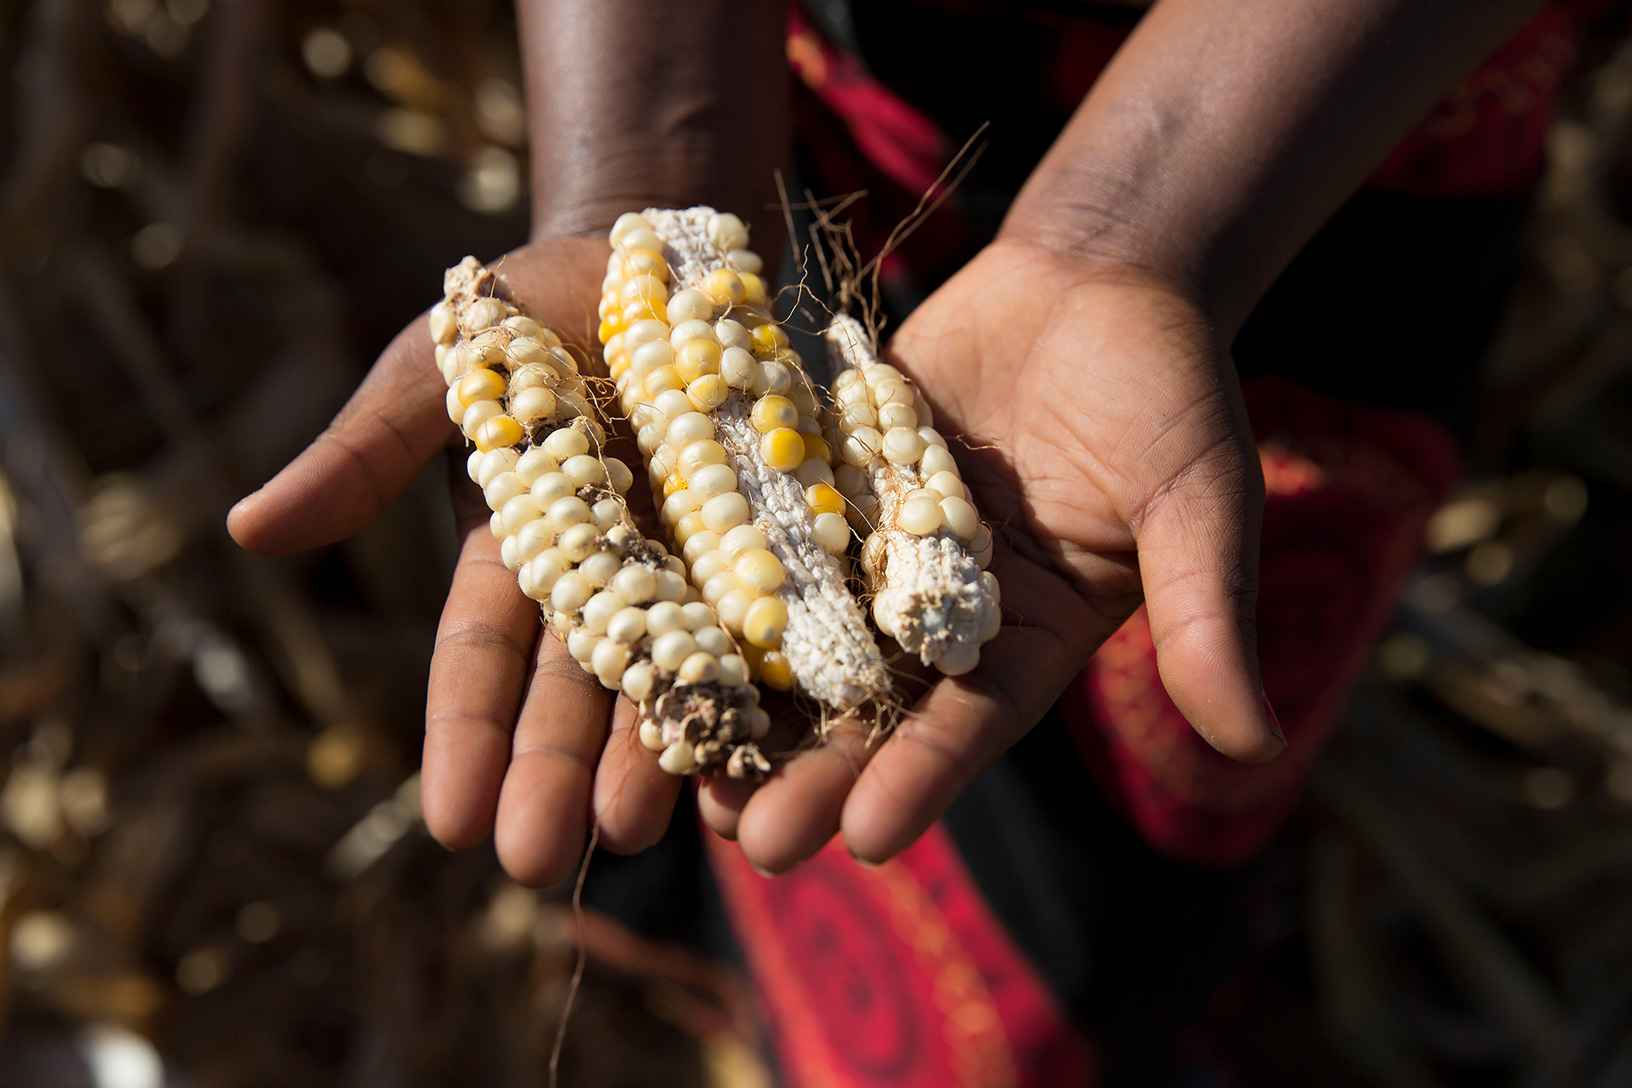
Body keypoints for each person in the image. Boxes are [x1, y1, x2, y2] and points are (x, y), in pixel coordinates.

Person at [229, 3, 1562, 1076]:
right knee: (738, 800)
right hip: (831, 120)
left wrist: (1132, 235)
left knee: (1093, 885)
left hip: (1302, 143)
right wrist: (653, 166)